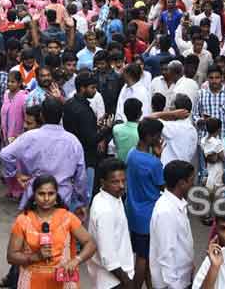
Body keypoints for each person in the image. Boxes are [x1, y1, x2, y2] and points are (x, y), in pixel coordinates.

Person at [6, 175, 96, 289]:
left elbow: (91, 243)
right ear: (34, 195)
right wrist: (35, 257)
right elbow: (11, 256)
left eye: (51, 194)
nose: (46, 198)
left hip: (62, 282)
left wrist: (76, 260)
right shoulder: (23, 220)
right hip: (32, 282)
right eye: (41, 194)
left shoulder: (67, 218)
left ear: (56, 195)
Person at [125, 118, 165, 289]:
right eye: (158, 135)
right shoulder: (153, 163)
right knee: (144, 257)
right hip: (147, 215)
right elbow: (163, 185)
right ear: (150, 137)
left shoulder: (131, 153)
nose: (160, 138)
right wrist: (158, 157)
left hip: (133, 211)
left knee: (145, 256)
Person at [61, 72, 111, 202]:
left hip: (70, 154)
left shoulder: (70, 104)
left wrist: (94, 125)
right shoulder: (83, 110)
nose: (95, 91)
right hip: (85, 157)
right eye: (92, 88)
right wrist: (107, 129)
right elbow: (91, 139)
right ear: (82, 88)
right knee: (84, 194)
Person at [87, 158, 135, 289]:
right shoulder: (105, 210)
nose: (121, 185)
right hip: (113, 281)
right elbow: (108, 257)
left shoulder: (113, 197)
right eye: (115, 182)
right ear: (103, 182)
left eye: (123, 180)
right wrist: (127, 282)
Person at [149, 160, 195, 289]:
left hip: (182, 276)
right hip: (172, 283)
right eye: (191, 180)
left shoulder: (178, 203)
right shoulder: (166, 211)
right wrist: (175, 285)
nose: (193, 184)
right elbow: (166, 254)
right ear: (181, 183)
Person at [112, 97, 141, 162]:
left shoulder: (116, 129)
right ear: (140, 113)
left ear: (124, 112)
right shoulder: (142, 132)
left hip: (121, 167)